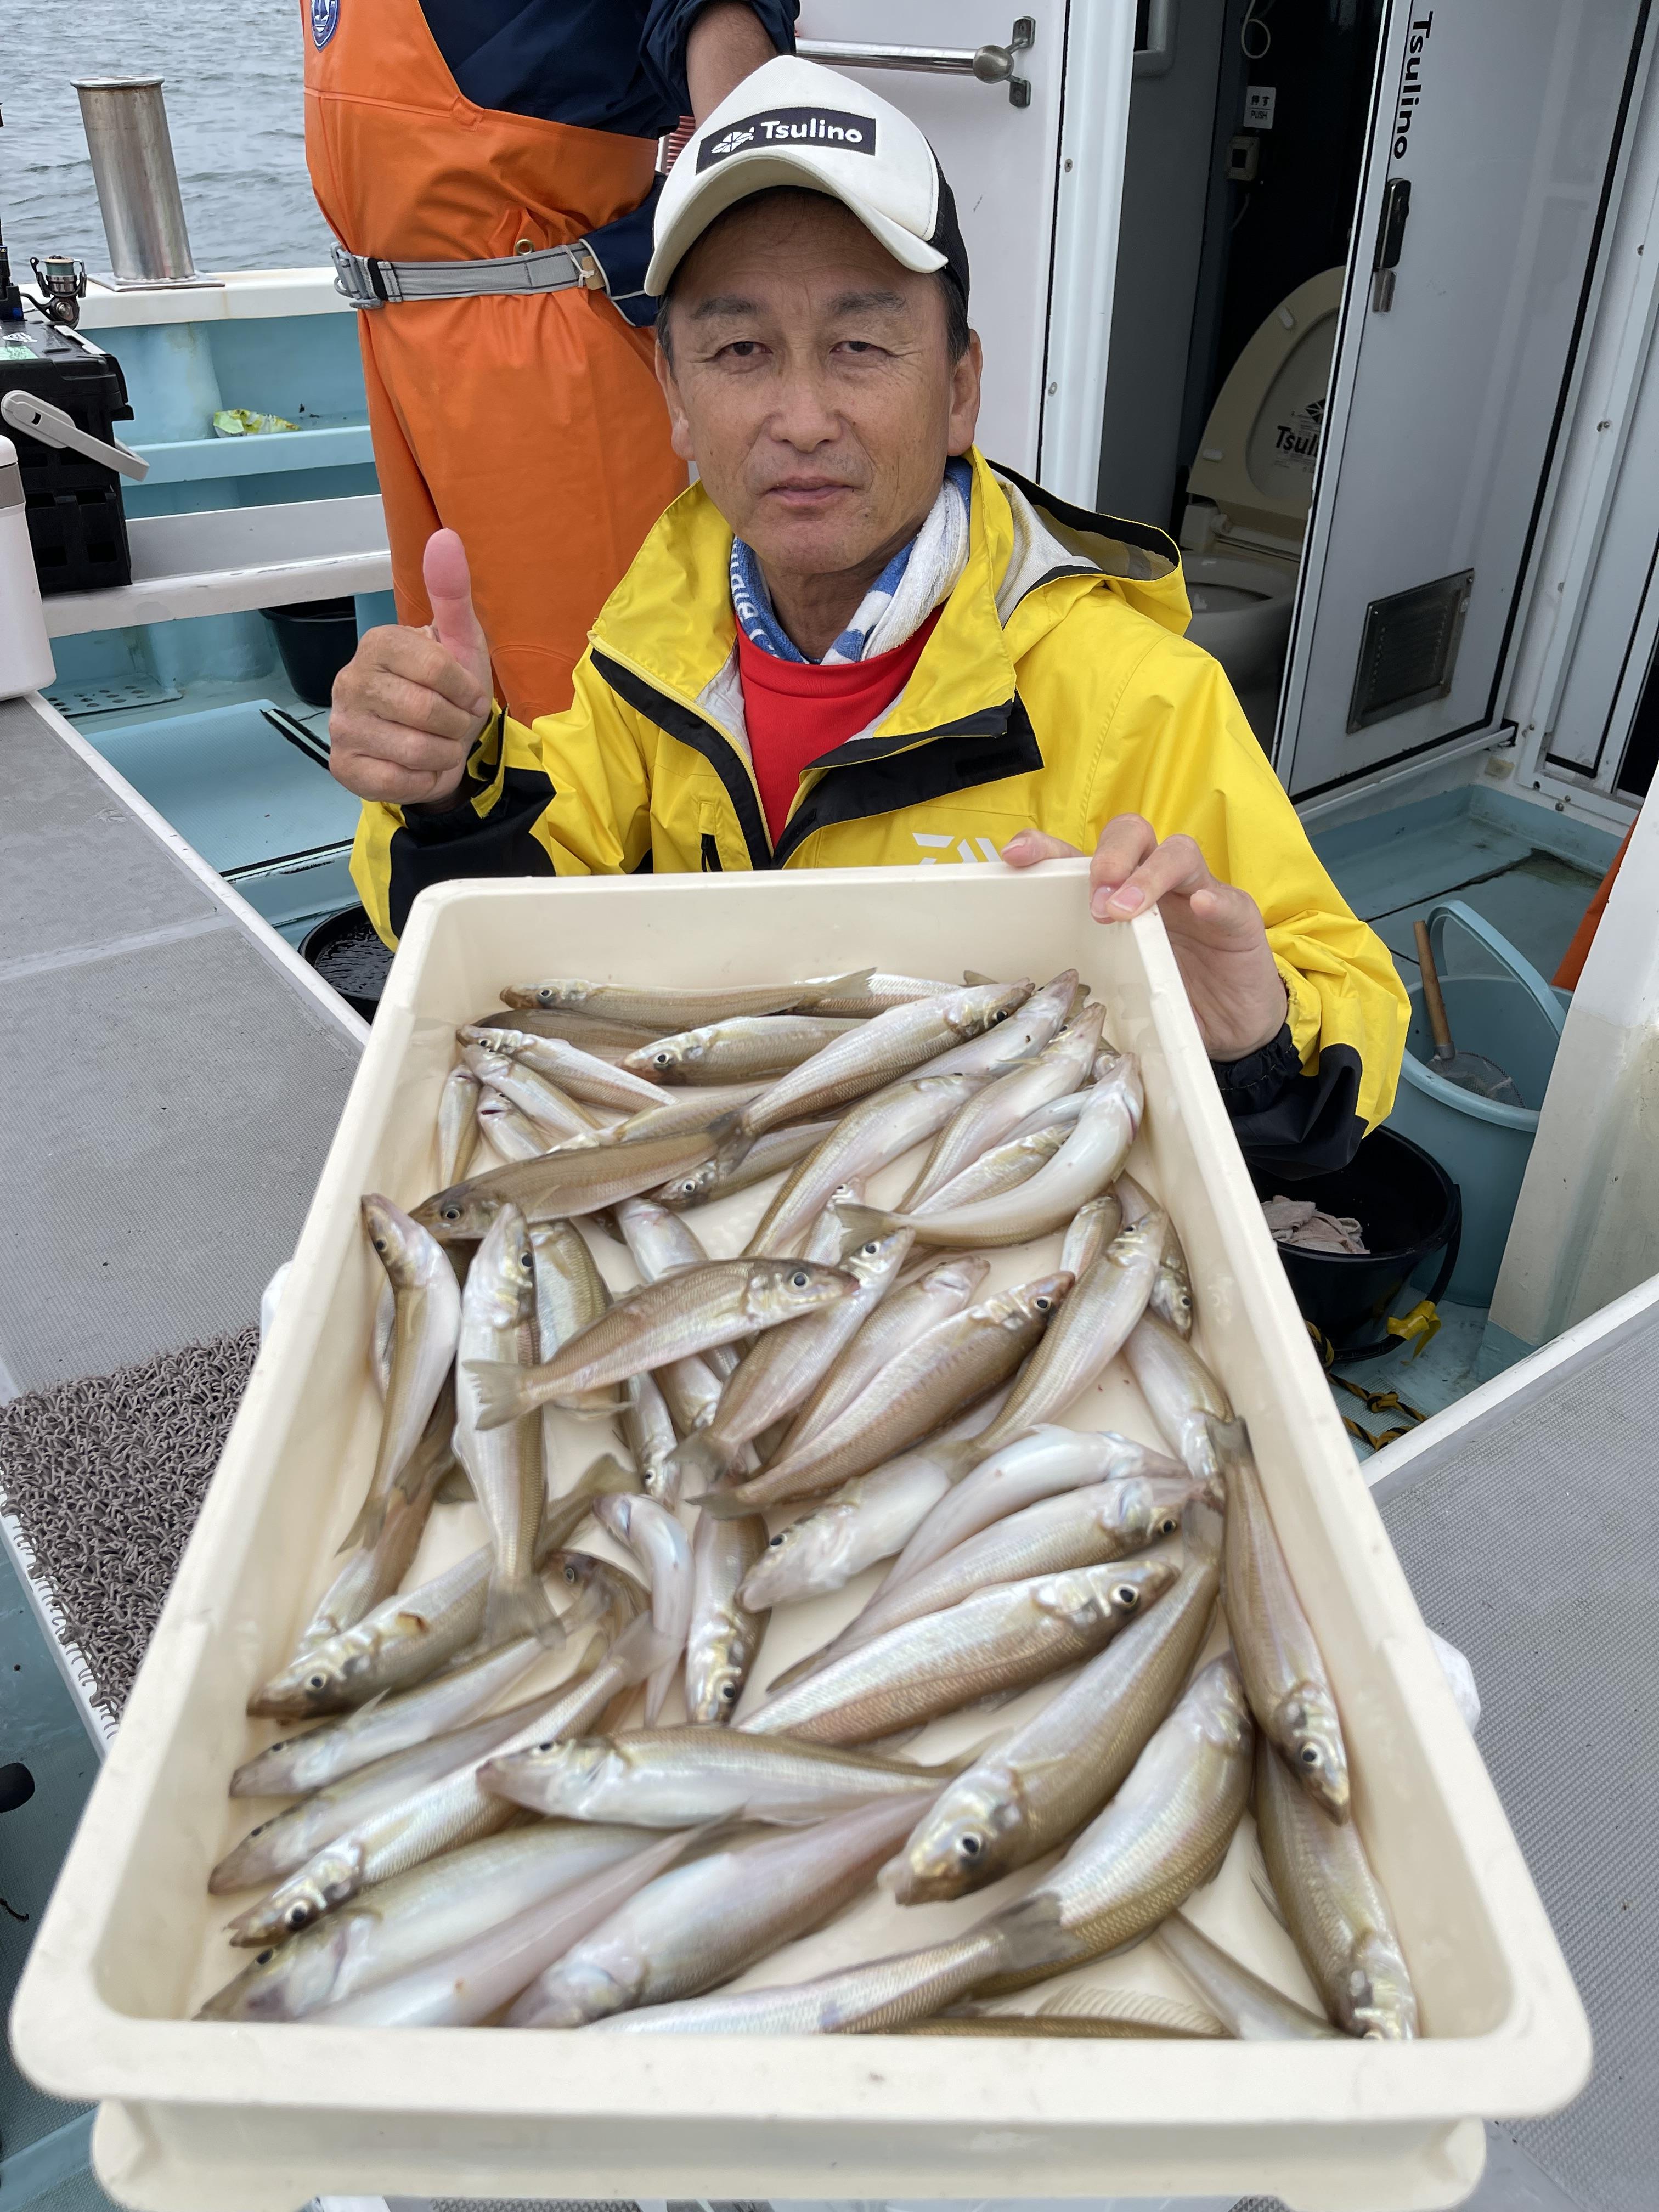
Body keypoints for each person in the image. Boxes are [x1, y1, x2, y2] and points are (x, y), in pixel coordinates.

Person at [329, 56, 1408, 1173]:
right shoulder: (650, 644)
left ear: (957, 389)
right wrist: (447, 792)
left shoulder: (1141, 693)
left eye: (859, 344)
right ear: (675, 399)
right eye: (741, 350)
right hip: (715, 1190)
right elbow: (513, 939)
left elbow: (1347, 997)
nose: (801, 418)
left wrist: (1251, 1039)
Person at [304, 0, 794, 723]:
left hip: (544, 339)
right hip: (394, 340)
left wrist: (754, 209)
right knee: (444, 671)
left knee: (579, 701)